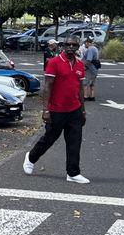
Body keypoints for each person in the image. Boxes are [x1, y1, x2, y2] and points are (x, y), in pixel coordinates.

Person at [25, 38, 89, 184]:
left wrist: (83, 110)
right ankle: (31, 158)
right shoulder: (54, 62)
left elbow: (80, 88)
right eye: (68, 44)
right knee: (49, 138)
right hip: (56, 110)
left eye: (74, 45)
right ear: (63, 46)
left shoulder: (80, 64)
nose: (71, 47)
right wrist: (45, 110)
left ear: (77, 47)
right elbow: (47, 87)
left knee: (75, 142)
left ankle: (73, 173)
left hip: (75, 110)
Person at [81, 36, 101, 102]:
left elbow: (89, 60)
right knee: (92, 83)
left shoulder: (90, 49)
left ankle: (85, 96)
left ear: (87, 43)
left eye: (85, 43)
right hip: (95, 67)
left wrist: (84, 66)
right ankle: (92, 96)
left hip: (90, 68)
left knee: (85, 83)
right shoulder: (95, 48)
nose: (84, 45)